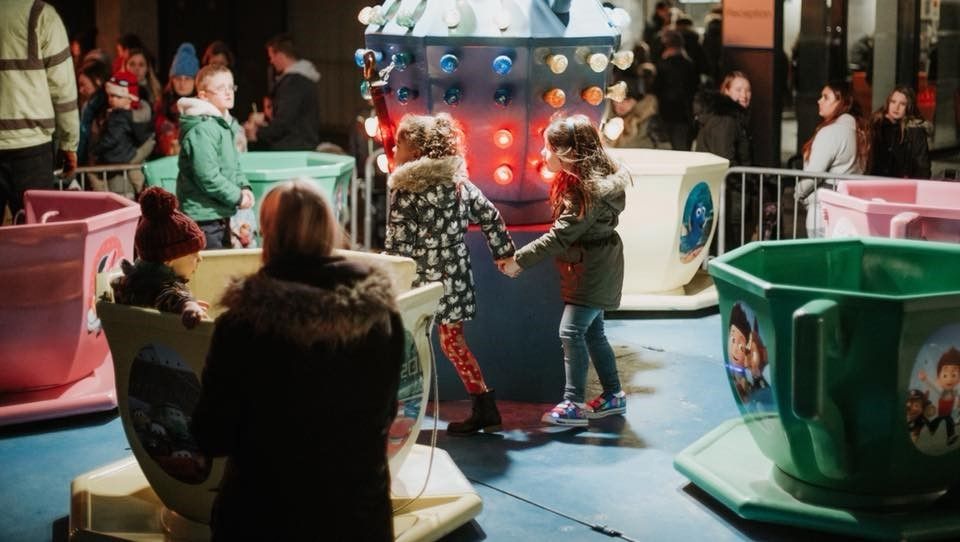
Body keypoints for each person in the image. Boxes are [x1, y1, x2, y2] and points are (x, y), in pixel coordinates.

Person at [191, 180, 404, 541]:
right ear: (330, 229)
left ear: (269, 235)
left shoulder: (242, 326)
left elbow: (212, 435)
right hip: (356, 517)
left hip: (261, 518)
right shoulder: (381, 319)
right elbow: (384, 415)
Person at [383, 113, 515, 436]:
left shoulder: (407, 190)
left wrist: (384, 278)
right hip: (454, 279)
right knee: (452, 343)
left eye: (398, 143)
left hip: (420, 284)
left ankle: (397, 411)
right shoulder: (458, 185)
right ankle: (484, 404)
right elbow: (491, 216)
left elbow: (399, 246)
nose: (393, 148)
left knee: (407, 344)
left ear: (413, 152)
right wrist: (503, 253)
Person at [501, 115, 631, 427]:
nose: (542, 155)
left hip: (593, 268)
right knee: (594, 332)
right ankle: (613, 394)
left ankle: (573, 402)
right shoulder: (586, 185)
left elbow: (560, 236)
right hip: (596, 264)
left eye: (547, 149)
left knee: (571, 331)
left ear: (567, 151)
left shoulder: (586, 193)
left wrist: (518, 260)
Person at [0, 0, 78, 219]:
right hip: (32, 149)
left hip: (30, 147)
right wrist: (69, 143)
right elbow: (63, 91)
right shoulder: (42, 16)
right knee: (36, 237)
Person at [176, 64, 254, 249]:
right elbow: (207, 176)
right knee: (211, 272)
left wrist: (243, 186)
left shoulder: (222, 124)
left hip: (219, 212)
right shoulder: (203, 129)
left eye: (231, 87)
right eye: (220, 88)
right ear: (203, 95)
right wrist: (237, 196)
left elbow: (233, 164)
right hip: (203, 217)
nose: (228, 93)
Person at [110, 186, 207, 329]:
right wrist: (189, 305)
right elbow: (171, 295)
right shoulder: (163, 285)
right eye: (194, 254)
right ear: (169, 260)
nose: (200, 259)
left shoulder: (130, 280)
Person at [796, 81, 870, 237]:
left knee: (820, 258)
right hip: (849, 211)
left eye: (826, 97)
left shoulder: (831, 132)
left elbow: (813, 175)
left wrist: (799, 192)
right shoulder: (860, 132)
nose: (819, 101)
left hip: (823, 211)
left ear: (840, 102)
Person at [244, 34, 320, 150]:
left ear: (279, 55)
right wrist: (266, 118)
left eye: (271, 57)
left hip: (293, 148)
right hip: (302, 146)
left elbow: (284, 122)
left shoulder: (293, 82)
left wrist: (257, 132)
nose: (271, 61)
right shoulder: (304, 79)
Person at [92, 71, 154, 196]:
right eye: (110, 95)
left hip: (117, 156)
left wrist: (97, 149)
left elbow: (113, 137)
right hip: (127, 155)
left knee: (95, 175)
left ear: (130, 99)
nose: (112, 100)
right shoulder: (135, 116)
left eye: (118, 97)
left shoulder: (119, 116)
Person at [869, 86, 931, 179]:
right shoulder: (877, 125)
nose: (896, 107)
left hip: (902, 184)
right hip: (874, 181)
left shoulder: (915, 130)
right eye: (893, 102)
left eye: (902, 104)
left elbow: (922, 167)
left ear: (909, 107)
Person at [654, 29, 699, 151]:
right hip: (684, 111)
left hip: (665, 110)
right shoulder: (689, 64)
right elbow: (694, 88)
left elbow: (656, 88)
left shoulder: (662, 65)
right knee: (682, 147)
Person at [155, 43, 200, 156]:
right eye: (178, 78)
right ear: (172, 80)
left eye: (187, 78)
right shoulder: (162, 107)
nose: (182, 83)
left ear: (195, 81)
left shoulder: (204, 107)